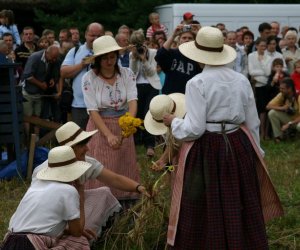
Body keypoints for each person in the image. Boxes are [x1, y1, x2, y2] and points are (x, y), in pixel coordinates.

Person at [162, 26, 283, 249]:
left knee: (205, 203)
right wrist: (257, 150)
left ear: (199, 56)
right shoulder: (241, 80)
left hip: (208, 147)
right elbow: (253, 122)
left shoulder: (196, 83)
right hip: (239, 144)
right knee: (239, 199)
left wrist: (174, 122)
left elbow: (195, 128)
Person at [32, 121, 148, 237]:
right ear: (70, 149)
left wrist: (138, 188)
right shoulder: (44, 172)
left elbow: (114, 179)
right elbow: (42, 206)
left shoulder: (85, 163)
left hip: (69, 211)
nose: (87, 148)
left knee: (104, 193)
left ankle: (86, 233)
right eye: (82, 145)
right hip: (47, 219)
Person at [81, 35, 140, 203]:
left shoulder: (127, 74)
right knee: (101, 164)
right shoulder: (89, 79)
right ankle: (100, 202)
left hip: (123, 122)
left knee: (124, 163)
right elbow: (92, 110)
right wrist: (108, 135)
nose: (109, 61)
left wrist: (128, 123)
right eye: (105, 58)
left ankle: (126, 201)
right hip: (100, 125)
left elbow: (132, 101)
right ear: (98, 60)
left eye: (112, 56)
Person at [1, 145, 93, 249]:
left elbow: (35, 227)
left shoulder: (35, 187)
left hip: (9, 242)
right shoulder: (69, 191)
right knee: (79, 241)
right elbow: (77, 232)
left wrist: (67, 231)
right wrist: (81, 192)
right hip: (30, 245)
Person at [60, 22, 104, 129]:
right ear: (85, 35)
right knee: (80, 141)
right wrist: (82, 65)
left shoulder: (109, 52)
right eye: (92, 35)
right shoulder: (75, 51)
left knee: (101, 141)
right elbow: (63, 73)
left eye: (99, 36)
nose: (95, 38)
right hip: (80, 105)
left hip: (103, 106)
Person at [129, 29, 161, 157]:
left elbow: (152, 72)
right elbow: (132, 72)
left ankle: (150, 145)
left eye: (139, 43)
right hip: (136, 86)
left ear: (144, 42)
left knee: (148, 113)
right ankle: (136, 142)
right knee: (136, 114)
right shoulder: (132, 55)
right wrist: (135, 58)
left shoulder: (153, 53)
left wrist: (144, 59)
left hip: (151, 86)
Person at [155, 24, 202, 94]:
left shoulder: (197, 57)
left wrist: (200, 34)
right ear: (179, 40)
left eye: (190, 38)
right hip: (171, 96)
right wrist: (173, 35)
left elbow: (205, 64)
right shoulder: (172, 53)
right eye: (184, 38)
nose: (187, 40)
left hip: (189, 96)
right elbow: (159, 56)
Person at [248, 38, 273, 139]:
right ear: (257, 46)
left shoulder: (268, 57)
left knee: (267, 109)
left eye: (264, 46)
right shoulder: (251, 55)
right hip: (258, 86)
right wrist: (262, 71)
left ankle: (266, 133)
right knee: (261, 110)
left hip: (267, 86)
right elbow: (251, 72)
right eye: (261, 46)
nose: (263, 48)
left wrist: (262, 61)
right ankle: (261, 133)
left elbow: (268, 73)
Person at [267, 77, 300, 142]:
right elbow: (268, 106)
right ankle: (278, 137)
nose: (280, 90)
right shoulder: (282, 95)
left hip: (297, 121)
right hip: (291, 119)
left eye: (282, 88)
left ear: (289, 89)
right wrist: (282, 108)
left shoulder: (298, 96)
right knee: (272, 113)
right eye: (280, 88)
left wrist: (289, 124)